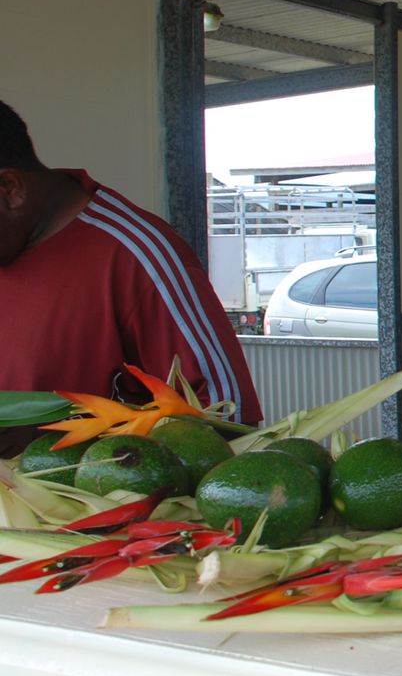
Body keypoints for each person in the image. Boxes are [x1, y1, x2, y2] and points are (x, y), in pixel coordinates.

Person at [0, 99, 262, 454]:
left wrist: (51, 441)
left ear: (10, 190)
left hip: (82, 503)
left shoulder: (137, 252)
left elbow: (229, 419)